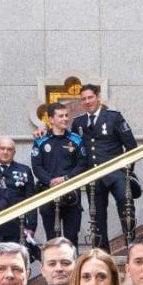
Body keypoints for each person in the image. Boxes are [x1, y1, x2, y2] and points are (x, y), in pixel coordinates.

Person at [72, 86, 139, 247]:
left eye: (90, 97)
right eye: (84, 99)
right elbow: (69, 142)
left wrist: (127, 170)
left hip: (116, 172)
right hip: (93, 177)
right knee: (97, 218)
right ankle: (103, 255)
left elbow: (131, 145)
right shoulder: (78, 122)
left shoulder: (113, 117)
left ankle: (132, 245)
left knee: (126, 204)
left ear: (98, 97)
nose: (87, 102)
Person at [31, 102, 87, 242]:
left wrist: (65, 178)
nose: (65, 119)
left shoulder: (76, 140)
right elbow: (37, 166)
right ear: (51, 119)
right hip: (48, 193)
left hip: (71, 195)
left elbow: (82, 164)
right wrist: (51, 181)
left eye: (67, 115)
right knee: (52, 238)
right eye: (60, 116)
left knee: (72, 237)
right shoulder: (41, 140)